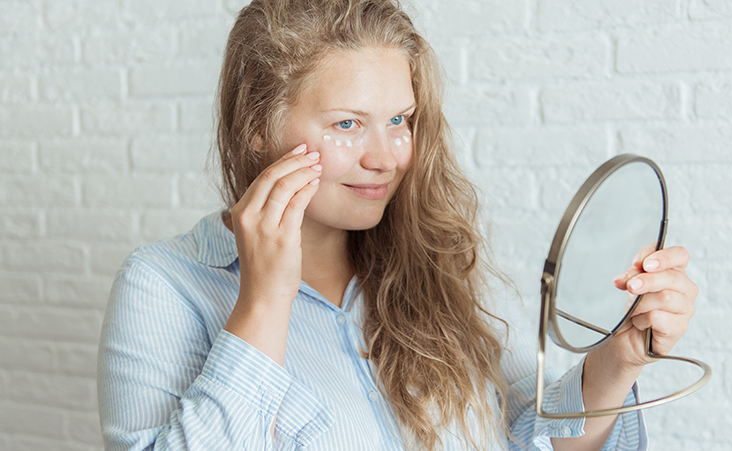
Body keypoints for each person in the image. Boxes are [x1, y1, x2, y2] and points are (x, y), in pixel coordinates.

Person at [97, 0, 698, 449]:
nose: (386, 157)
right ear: (258, 124)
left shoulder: (431, 266)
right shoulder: (165, 286)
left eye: (399, 120)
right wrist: (264, 303)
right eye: (347, 125)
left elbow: (528, 436)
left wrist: (619, 358)